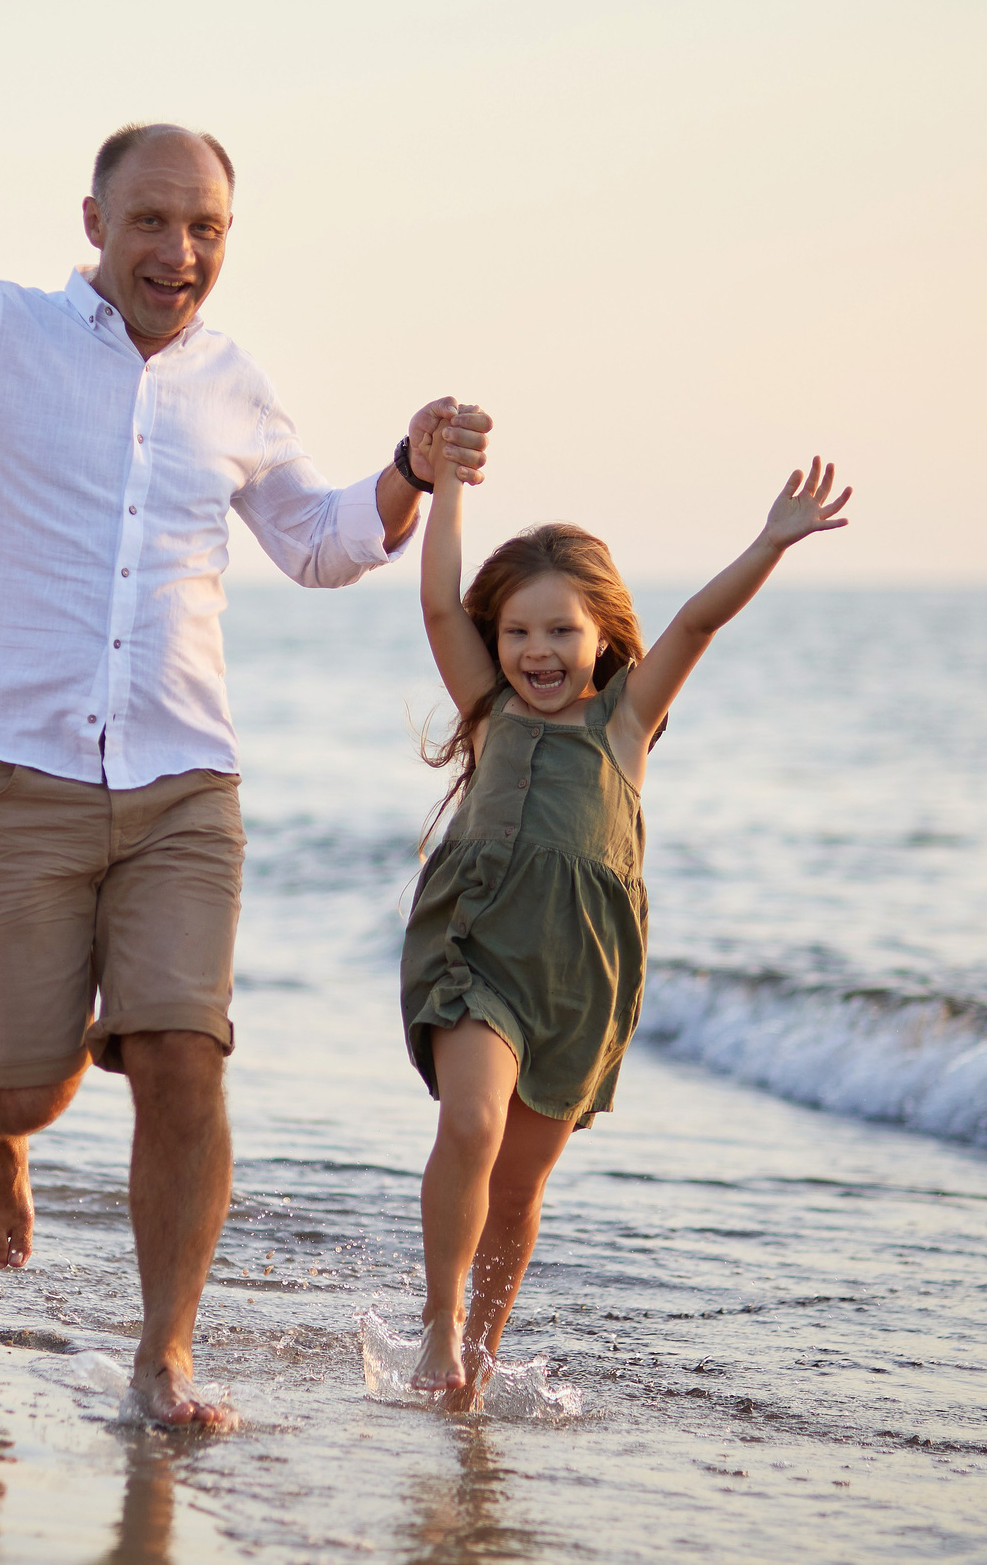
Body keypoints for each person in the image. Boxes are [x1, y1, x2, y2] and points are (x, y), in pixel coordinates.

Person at [0, 34, 495, 1428]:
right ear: (93, 225)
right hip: (4, 777)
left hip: (181, 782)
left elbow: (324, 543)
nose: (179, 248)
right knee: (29, 1082)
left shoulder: (234, 383)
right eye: (152, 219)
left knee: (182, 1053)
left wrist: (403, 469)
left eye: (206, 225)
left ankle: (166, 1355)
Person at [400, 443, 853, 1407]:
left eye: (561, 631)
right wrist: (443, 489)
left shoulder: (625, 726)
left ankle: (476, 1361)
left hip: (579, 978)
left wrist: (770, 542)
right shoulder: (488, 710)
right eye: (519, 630)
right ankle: (438, 1327)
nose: (537, 652)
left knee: (518, 1192)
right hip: (476, 952)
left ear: (602, 637)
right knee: (471, 1121)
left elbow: (696, 620)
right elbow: (440, 604)